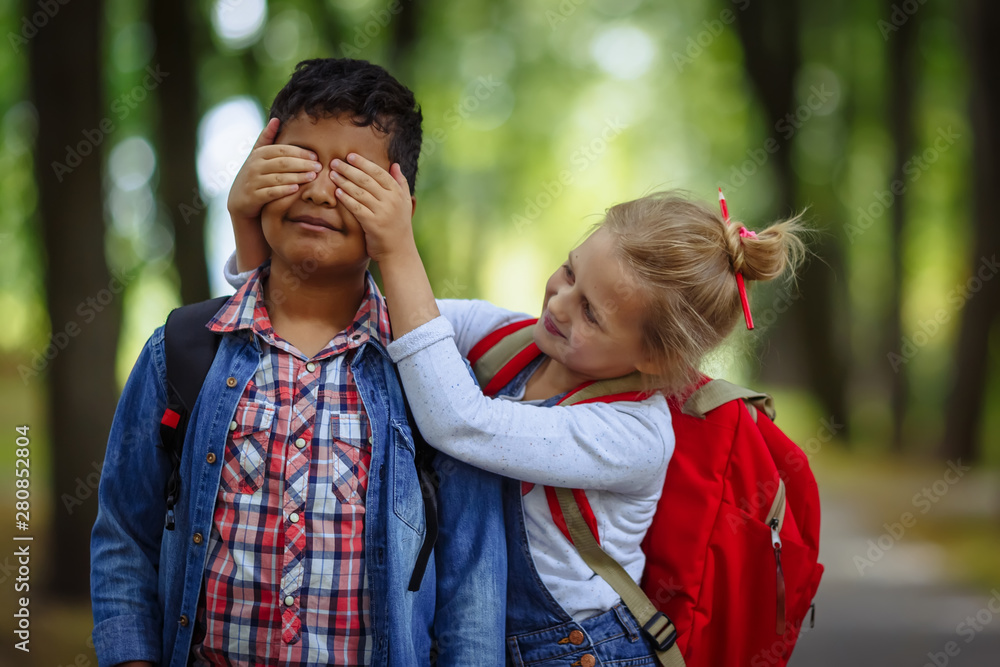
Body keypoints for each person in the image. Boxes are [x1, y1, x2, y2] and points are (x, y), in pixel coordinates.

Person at [228, 141, 805, 663]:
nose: (558, 304)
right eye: (570, 272)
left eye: (592, 314)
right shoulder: (511, 342)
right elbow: (344, 320)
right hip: (479, 634)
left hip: (574, 652)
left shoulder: (634, 435)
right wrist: (249, 230)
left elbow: (461, 423)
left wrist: (398, 249)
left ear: (652, 358)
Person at [90, 58, 506, 667]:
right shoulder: (179, 353)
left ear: (398, 208)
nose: (316, 191)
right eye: (299, 164)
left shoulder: (434, 381)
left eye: (352, 176)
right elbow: (125, 535)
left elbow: (472, 583)